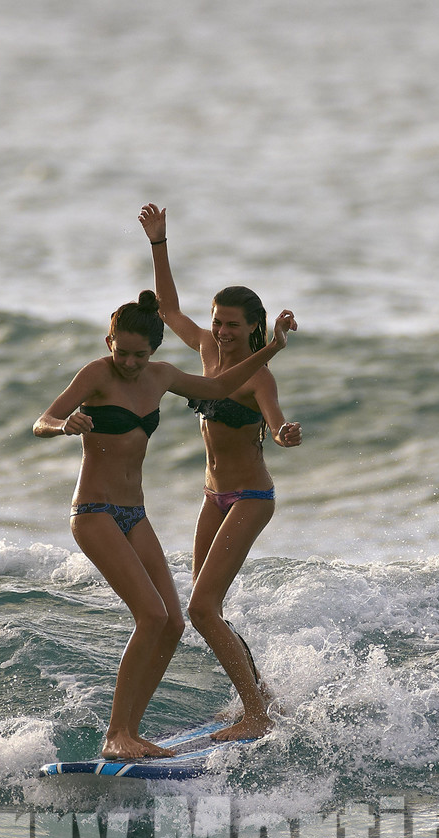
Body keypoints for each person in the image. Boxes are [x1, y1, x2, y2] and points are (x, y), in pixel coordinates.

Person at [35, 290, 296, 759]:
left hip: (135, 514)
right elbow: (43, 419)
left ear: (153, 351)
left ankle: (130, 733)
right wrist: (63, 425)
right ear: (109, 340)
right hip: (93, 512)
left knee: (175, 621)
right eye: (123, 351)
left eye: (140, 354)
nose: (130, 363)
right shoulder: (96, 373)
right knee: (153, 616)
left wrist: (273, 348)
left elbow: (216, 390)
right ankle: (117, 733)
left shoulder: (161, 377)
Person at [139, 203, 301, 741]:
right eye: (218, 321)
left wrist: (283, 434)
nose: (222, 331)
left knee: (203, 609)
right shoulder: (206, 348)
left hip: (251, 498)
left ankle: (257, 714)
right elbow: (166, 310)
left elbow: (275, 425)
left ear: (255, 329)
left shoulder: (260, 378)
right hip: (213, 498)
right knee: (204, 607)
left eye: (233, 325)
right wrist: (159, 243)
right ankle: (262, 699)